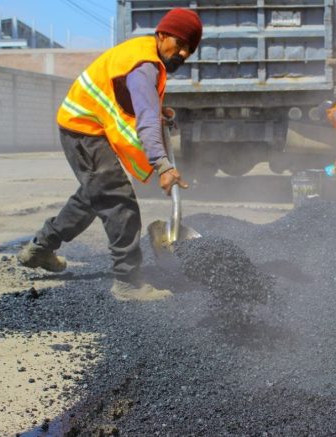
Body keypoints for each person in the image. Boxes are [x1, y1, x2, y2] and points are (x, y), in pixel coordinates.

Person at [17, 8, 203, 301]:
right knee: (118, 201)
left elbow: (136, 102)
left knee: (93, 196)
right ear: (162, 34)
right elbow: (144, 118)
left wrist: (158, 110)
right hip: (82, 129)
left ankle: (40, 248)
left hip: (89, 126)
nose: (181, 52)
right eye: (178, 43)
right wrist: (163, 165)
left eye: (188, 49)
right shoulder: (144, 66)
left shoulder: (146, 54)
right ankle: (128, 283)